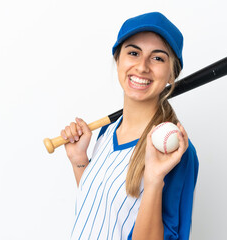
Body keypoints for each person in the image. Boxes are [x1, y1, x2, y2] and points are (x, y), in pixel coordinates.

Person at [60, 12, 199, 240]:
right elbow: (99, 209)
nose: (142, 66)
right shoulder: (108, 132)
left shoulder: (175, 151)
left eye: (157, 58)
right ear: (118, 61)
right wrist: (79, 161)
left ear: (171, 74)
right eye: (133, 53)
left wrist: (154, 180)